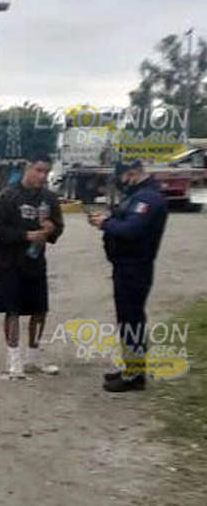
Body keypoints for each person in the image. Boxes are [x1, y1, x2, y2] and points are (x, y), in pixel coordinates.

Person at [89, 160, 168, 392]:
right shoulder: (137, 196)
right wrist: (108, 219)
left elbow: (132, 230)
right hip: (125, 266)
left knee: (132, 321)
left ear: (131, 174)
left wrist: (105, 223)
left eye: (122, 178)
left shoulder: (148, 199)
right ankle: (131, 368)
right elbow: (124, 220)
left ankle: (134, 375)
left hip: (136, 268)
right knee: (127, 321)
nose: (121, 183)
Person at [0, 154, 64, 378]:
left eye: (46, 172)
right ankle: (14, 362)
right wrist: (26, 235)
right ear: (27, 169)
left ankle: (33, 359)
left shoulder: (49, 198)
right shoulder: (7, 196)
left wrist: (51, 229)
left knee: (40, 311)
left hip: (36, 263)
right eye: (39, 170)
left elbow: (59, 226)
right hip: (10, 264)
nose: (43, 176)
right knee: (12, 311)